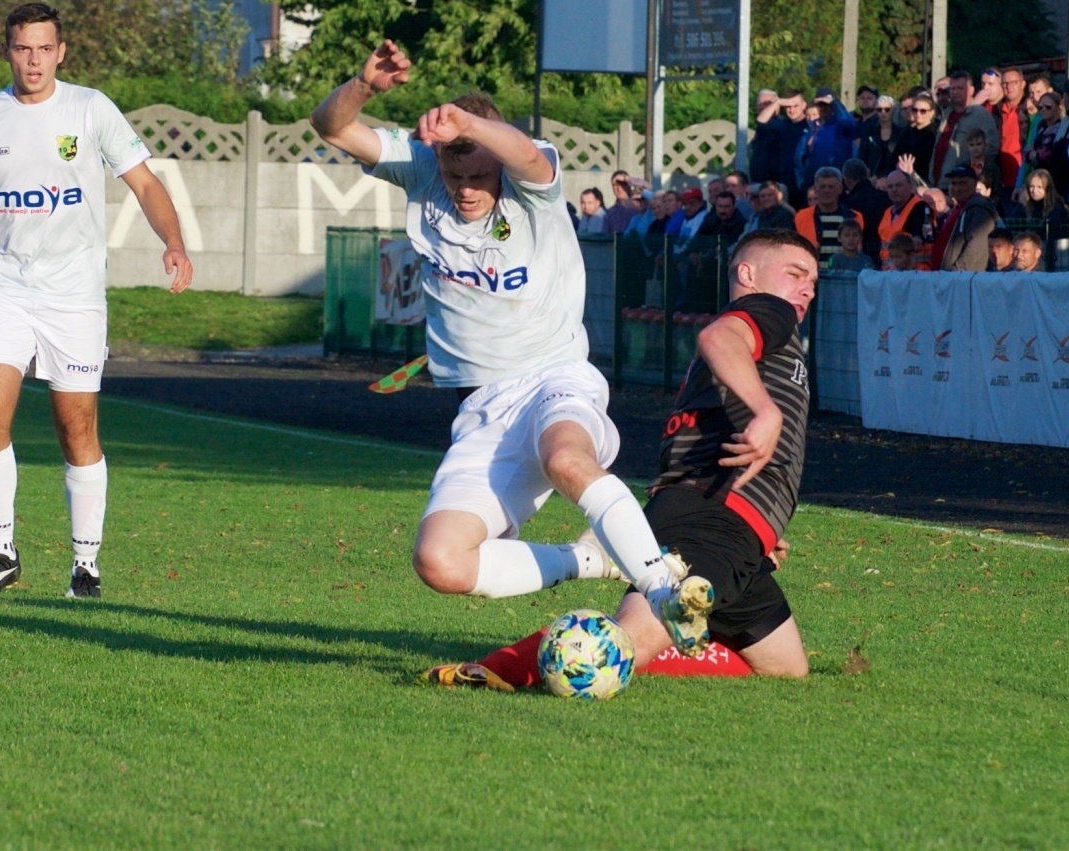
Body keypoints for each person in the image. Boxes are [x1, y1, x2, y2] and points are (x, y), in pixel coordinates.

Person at [308, 39, 711, 649]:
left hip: (557, 377)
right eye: (454, 174)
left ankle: (662, 589)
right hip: (486, 407)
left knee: (567, 459)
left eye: (477, 176)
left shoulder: (531, 186)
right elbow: (331, 126)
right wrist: (365, 87)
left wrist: (471, 123)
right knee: (441, 562)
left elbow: (525, 153)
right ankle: (590, 560)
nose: (466, 189)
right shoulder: (421, 167)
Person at [425, 230, 820, 690]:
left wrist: (762, 532)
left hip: (733, 525)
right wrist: (766, 411)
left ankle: (651, 633)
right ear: (748, 274)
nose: (807, 287)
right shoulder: (766, 309)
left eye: (813, 279)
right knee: (624, 641)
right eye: (795, 273)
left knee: (785, 666)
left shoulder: (773, 334)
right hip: (712, 517)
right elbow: (719, 337)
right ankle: (502, 667)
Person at [0, 1, 195, 599]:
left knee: (76, 429)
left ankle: (86, 564)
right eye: (23, 48)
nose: (33, 60)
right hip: (3, 288)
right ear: (8, 51)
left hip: (75, 296)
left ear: (61, 52)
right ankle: (1, 552)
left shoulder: (89, 107)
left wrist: (174, 243)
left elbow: (146, 182)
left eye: (44, 48)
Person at [934, 165, 998, 272]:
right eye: (954, 183)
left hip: (961, 281)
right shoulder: (960, 208)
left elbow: (977, 248)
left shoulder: (979, 209)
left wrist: (956, 275)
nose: (957, 188)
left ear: (974, 184)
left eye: (963, 183)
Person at [793, 167, 864, 258]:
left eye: (831, 187)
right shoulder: (800, 218)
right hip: (812, 271)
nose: (826, 191)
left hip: (846, 271)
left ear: (840, 189)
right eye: (822, 187)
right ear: (815, 189)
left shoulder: (856, 217)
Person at [751, 90, 806, 204]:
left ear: (803, 105)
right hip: (785, 182)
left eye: (795, 105)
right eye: (788, 107)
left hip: (803, 181)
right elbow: (761, 121)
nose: (792, 110)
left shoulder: (809, 123)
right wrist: (778, 102)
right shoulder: (783, 125)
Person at [876, 168, 934, 269]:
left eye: (898, 185)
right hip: (890, 275)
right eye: (890, 186)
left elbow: (921, 239)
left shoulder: (920, 208)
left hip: (915, 275)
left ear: (910, 186)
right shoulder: (887, 212)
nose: (894, 189)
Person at [840, 157, 891, 255]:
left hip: (858, 254)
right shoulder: (886, 198)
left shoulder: (847, 203)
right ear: (866, 174)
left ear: (846, 179)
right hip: (886, 254)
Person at [896, 92, 940, 180]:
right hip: (904, 178)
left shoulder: (936, 133)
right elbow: (896, 156)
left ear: (932, 112)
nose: (918, 114)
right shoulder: (906, 133)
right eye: (915, 110)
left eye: (923, 111)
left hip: (927, 180)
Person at [1018, 168, 1069, 239]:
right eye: (1031, 186)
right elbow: (1013, 224)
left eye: (1039, 187)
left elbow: (1054, 232)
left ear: (1047, 188)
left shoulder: (1056, 207)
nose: (1034, 190)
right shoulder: (1024, 205)